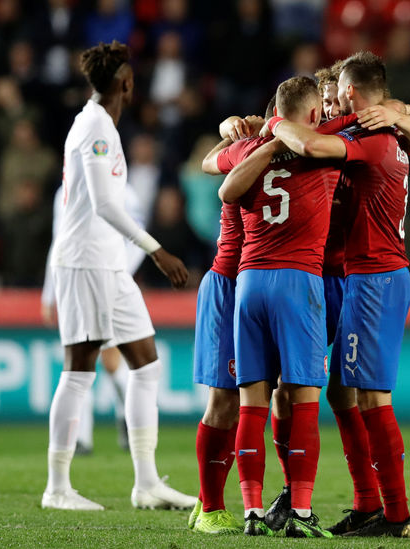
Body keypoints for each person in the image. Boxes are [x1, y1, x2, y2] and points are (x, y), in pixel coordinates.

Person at [268, 51, 410, 538]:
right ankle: (349, 501)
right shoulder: (380, 131)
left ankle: (393, 513)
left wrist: (275, 127)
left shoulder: (368, 137)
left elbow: (313, 146)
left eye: (337, 96)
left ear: (347, 96)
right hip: (353, 275)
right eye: (325, 99)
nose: (331, 104)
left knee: (370, 395)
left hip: (364, 276)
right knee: (327, 389)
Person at [42, 40, 196, 512]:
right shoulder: (94, 127)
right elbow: (106, 204)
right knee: (79, 372)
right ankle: (58, 488)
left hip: (107, 264)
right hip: (87, 262)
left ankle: (147, 482)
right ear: (126, 83)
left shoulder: (100, 123)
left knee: (146, 366)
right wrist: (156, 251)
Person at [214, 76, 341, 538]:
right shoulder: (326, 142)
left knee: (252, 405)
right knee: (304, 401)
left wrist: (250, 132)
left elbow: (217, 173)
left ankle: (251, 511)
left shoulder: (249, 149)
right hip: (298, 281)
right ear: (311, 115)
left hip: (249, 282)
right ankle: (301, 513)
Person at [187, 105, 269, 535]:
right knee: (225, 401)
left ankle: (206, 498)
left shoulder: (305, 153)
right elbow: (206, 163)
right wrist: (230, 132)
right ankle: (212, 508)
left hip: (262, 286)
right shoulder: (258, 149)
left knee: (252, 403)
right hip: (229, 283)